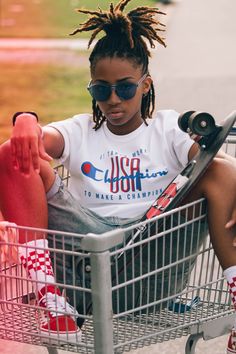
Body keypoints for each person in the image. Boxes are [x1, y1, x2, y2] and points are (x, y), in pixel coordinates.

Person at [0, 0, 236, 351]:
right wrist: (25, 120)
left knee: (218, 170)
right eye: (100, 89)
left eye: (125, 88)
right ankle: (51, 301)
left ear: (145, 85)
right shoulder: (79, 131)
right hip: (84, 267)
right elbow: (28, 147)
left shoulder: (167, 129)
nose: (113, 99)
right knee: (13, 153)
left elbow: (218, 168)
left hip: (152, 260)